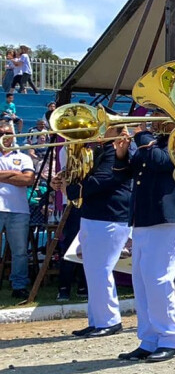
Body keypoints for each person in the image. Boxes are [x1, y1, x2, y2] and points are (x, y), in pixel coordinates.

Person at [113, 117, 175, 363]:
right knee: (142, 281)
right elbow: (128, 173)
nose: (155, 119)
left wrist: (142, 138)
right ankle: (149, 339)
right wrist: (122, 155)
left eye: (161, 113)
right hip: (144, 217)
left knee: (159, 280)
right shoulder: (153, 143)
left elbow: (162, 162)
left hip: (169, 216)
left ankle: (170, 338)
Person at [52, 126, 133, 338]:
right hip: (93, 215)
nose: (96, 130)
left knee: (100, 270)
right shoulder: (99, 151)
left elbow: (103, 180)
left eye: (103, 127)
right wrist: (63, 179)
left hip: (109, 216)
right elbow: (87, 177)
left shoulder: (113, 153)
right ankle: (97, 320)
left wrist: (69, 188)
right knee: (93, 271)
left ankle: (109, 321)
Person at [0, 121, 35, 299]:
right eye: (1, 133)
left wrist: (2, 176)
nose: (4, 137)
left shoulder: (24, 157)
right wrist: (14, 174)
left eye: (8, 133)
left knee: (20, 251)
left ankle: (19, 285)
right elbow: (21, 177)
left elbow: (28, 179)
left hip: (18, 210)